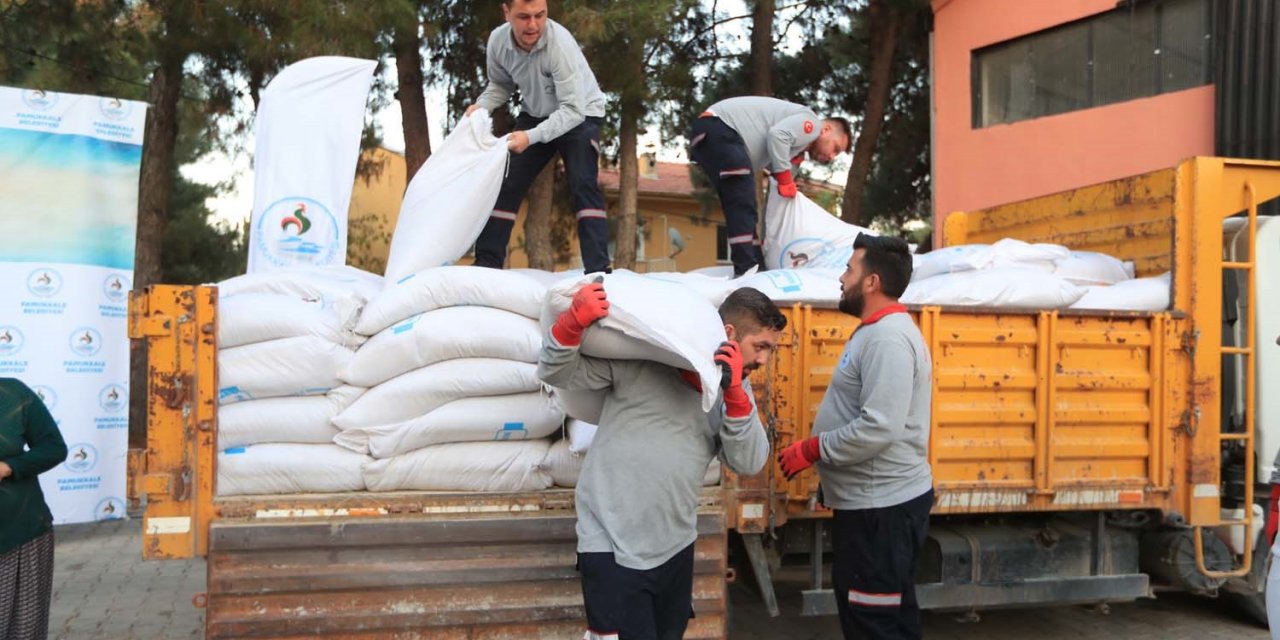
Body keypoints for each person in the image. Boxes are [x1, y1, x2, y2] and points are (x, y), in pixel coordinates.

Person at [539, 284, 785, 639]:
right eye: (760, 346)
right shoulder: (641, 363)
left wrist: (733, 395)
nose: (764, 360)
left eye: (770, 350)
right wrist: (572, 323)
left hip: (674, 546)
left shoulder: (733, 390)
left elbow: (749, 461)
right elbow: (555, 371)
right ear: (729, 335)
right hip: (609, 543)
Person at [777, 233, 933, 640]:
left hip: (881, 511)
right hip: (873, 507)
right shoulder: (875, 332)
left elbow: (879, 427)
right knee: (885, 616)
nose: (841, 278)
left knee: (872, 621)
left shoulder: (888, 338)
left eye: (850, 269)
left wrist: (813, 449)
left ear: (871, 282)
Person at [466, 0, 611, 274]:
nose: (533, 25)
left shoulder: (560, 44)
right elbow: (500, 85)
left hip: (581, 114)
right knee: (505, 184)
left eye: (540, 15)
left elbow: (571, 110)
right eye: (523, 17)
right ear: (506, 12)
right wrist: (480, 106)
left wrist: (530, 137)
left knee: (582, 182)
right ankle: (486, 264)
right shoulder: (498, 42)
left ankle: (598, 270)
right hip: (535, 114)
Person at [689, 96, 852, 276]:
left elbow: (775, 196)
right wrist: (784, 178)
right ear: (826, 129)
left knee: (743, 207)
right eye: (835, 148)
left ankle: (757, 265)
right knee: (743, 202)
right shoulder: (811, 123)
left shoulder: (795, 150)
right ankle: (746, 271)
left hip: (708, 137)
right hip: (720, 128)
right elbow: (778, 135)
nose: (831, 157)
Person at [0, 378, 68, 640]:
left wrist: (9, 467)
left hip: (22, 535)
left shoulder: (13, 394)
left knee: (24, 631)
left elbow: (53, 448)